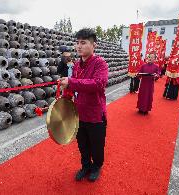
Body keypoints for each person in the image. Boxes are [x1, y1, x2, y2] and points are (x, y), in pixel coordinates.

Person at [59, 28, 108, 182]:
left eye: (84, 43)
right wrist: (65, 93)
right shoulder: (76, 66)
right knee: (82, 144)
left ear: (94, 45)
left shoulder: (100, 63)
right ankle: (85, 166)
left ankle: (96, 166)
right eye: (77, 43)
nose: (79, 46)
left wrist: (71, 82)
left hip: (95, 115)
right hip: (79, 113)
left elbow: (98, 84)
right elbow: (72, 88)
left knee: (97, 146)